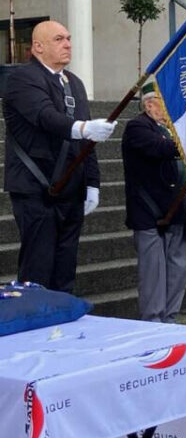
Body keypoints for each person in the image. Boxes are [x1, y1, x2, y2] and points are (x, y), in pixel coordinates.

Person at [3, 21, 114, 293]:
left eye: (68, 38)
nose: (68, 44)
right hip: (36, 188)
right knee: (38, 269)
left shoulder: (73, 83)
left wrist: (92, 183)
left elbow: (88, 142)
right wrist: (82, 128)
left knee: (65, 269)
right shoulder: (22, 78)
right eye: (58, 39)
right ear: (38, 47)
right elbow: (44, 116)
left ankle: (61, 327)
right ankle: (34, 328)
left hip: (70, 187)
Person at [122, 83, 186, 322]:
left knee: (177, 269)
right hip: (150, 210)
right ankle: (153, 322)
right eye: (164, 100)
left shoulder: (175, 128)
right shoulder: (138, 127)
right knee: (153, 273)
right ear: (149, 104)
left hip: (176, 210)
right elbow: (158, 148)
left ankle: (171, 318)